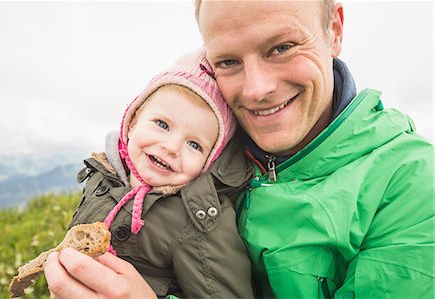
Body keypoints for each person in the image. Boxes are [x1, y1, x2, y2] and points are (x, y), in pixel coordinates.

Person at [46, 1, 434, 298]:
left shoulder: (412, 187)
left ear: (333, 29)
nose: (255, 89)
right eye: (228, 61)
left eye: (281, 47)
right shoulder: (198, 158)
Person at [46, 49, 254, 298]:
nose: (171, 147)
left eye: (194, 145)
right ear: (133, 121)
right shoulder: (105, 174)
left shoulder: (200, 221)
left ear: (208, 162)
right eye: (162, 125)